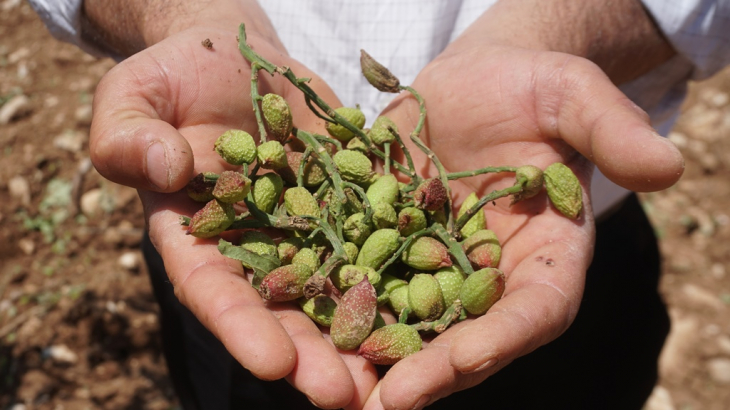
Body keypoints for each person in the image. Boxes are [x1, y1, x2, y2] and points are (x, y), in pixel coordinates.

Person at [28, 0, 730, 409]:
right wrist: (189, 14)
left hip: (539, 246)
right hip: (240, 300)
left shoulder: (437, 257)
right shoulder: (295, 200)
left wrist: (554, 29)